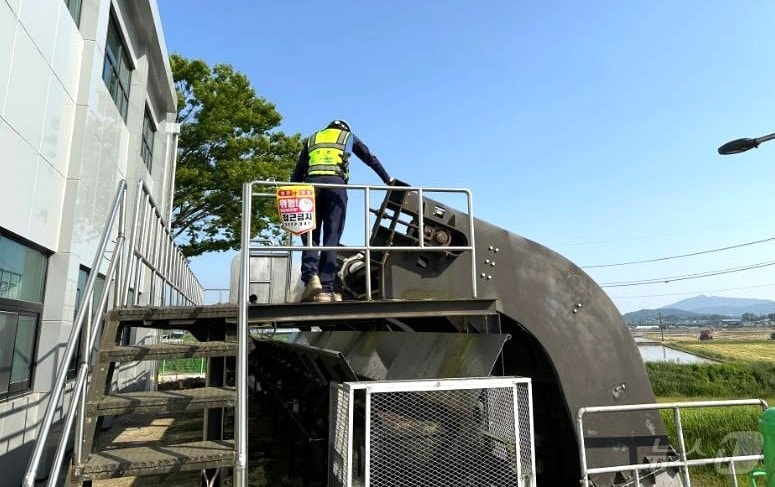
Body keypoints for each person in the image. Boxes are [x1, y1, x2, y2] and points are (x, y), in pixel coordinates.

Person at [290, 119, 392, 302]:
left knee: (310, 234)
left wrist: (288, 194)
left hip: (309, 187)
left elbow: (297, 173)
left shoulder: (312, 139)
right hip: (335, 188)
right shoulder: (347, 137)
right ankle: (325, 289)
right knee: (332, 236)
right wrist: (387, 179)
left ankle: (311, 278)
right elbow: (369, 158)